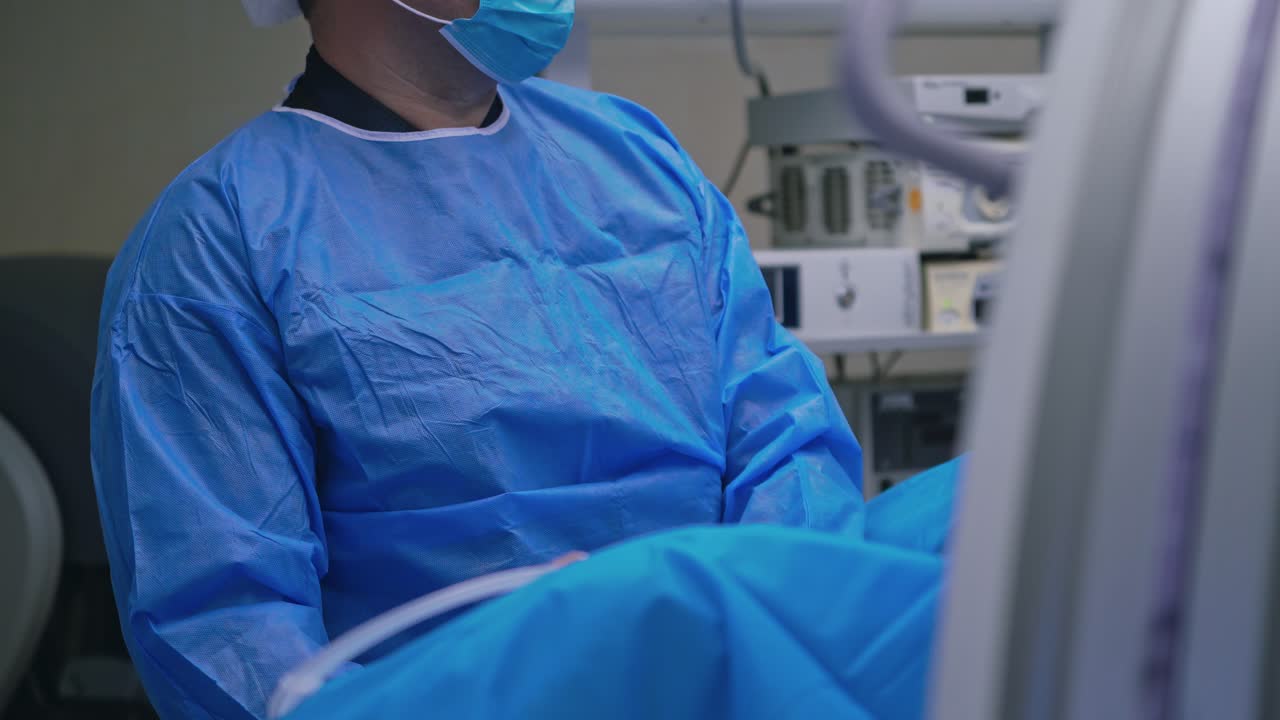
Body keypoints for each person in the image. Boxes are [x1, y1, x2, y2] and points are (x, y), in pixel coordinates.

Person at [90, 1, 867, 717]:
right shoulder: (217, 240)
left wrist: (777, 655)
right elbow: (229, 626)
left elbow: (788, 446)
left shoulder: (638, 158)